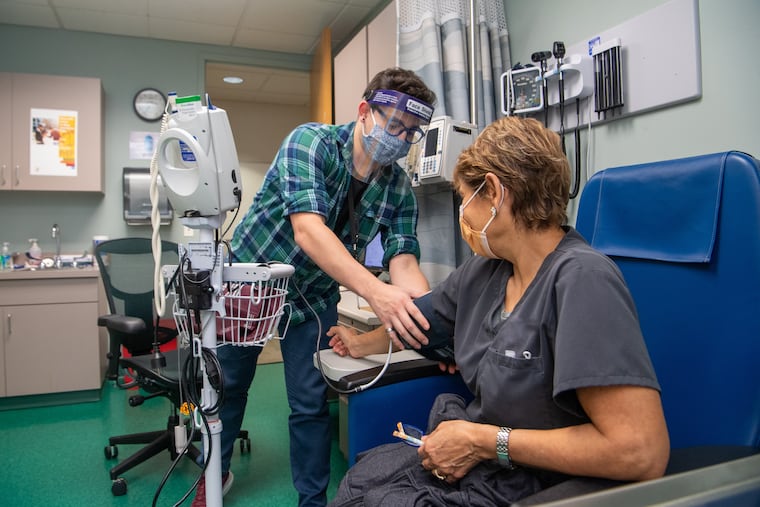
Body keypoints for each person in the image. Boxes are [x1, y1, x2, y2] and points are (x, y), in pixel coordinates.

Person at [326, 116, 670, 506]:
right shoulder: (486, 271)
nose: (464, 217)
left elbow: (639, 451)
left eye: (464, 199)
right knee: (361, 485)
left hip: (546, 481)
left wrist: (484, 441)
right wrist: (360, 345)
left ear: (492, 192)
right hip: (489, 463)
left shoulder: (582, 280)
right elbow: (418, 320)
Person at [191, 68, 438, 507]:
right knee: (229, 387)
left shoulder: (398, 186)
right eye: (393, 125)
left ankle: (312, 500)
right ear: (364, 112)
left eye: (411, 133)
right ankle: (215, 475)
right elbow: (308, 231)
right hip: (253, 281)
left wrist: (429, 314)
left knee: (310, 404)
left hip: (312, 296)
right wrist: (376, 294)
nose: (400, 139)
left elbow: (403, 259)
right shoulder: (311, 143)